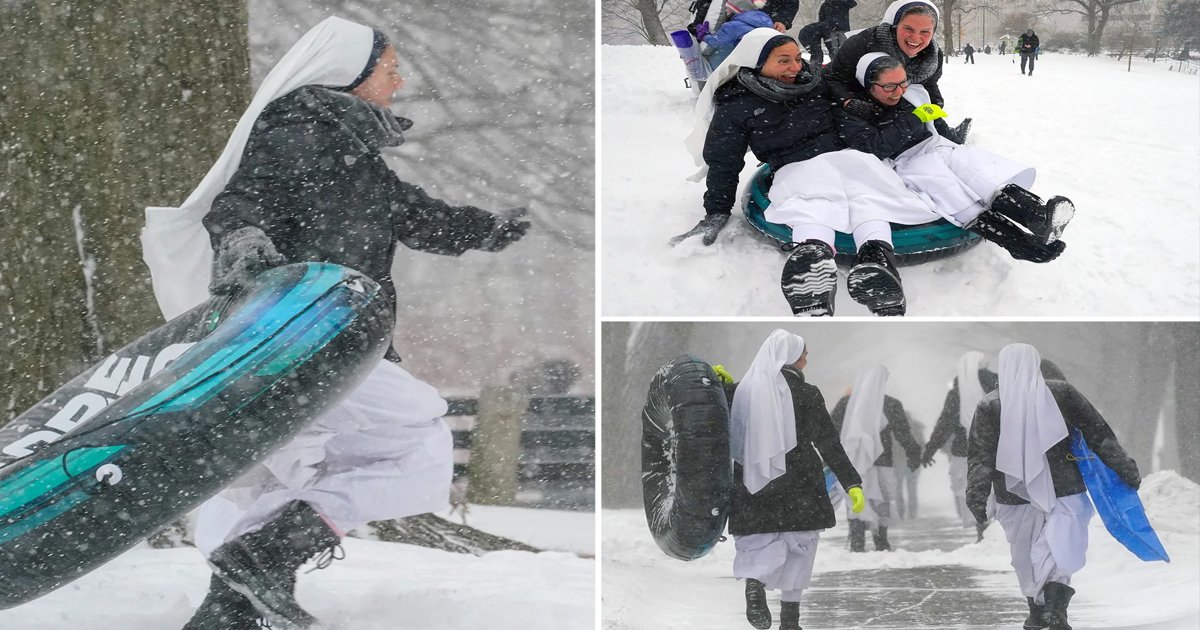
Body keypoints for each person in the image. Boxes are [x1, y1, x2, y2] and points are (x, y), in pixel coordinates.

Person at [141, 17, 530, 629]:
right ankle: (264, 558)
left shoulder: (350, 150)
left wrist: (486, 227)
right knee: (422, 448)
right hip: (303, 337)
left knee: (281, 475)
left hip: (326, 337)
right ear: (349, 75)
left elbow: (413, 214)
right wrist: (243, 241)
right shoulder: (292, 135)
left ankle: (228, 610)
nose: (400, 79)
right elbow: (240, 203)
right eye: (390, 67)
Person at [679, 29, 951, 317]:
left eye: (797, 58)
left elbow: (866, 92)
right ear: (757, 63)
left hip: (848, 156)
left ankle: (877, 260)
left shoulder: (815, 81)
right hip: (796, 166)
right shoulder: (737, 105)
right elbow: (724, 160)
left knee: (869, 197)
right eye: (784, 61)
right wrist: (716, 210)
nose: (796, 67)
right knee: (812, 202)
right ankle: (812, 264)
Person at [835, 53, 1074, 263]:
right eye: (889, 87)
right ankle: (1018, 243)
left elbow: (935, 124)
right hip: (903, 162)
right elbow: (875, 147)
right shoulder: (854, 111)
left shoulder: (912, 96)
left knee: (976, 169)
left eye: (903, 82)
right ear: (869, 84)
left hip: (935, 146)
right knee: (949, 190)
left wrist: (950, 137)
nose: (899, 91)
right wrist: (914, 119)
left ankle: (1037, 216)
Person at [967, 344, 1141, 630]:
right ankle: (1056, 609)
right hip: (1065, 486)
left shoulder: (989, 405)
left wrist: (976, 492)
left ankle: (1039, 612)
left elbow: (980, 454)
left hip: (1012, 493)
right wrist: (1124, 466)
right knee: (1062, 546)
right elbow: (1099, 432)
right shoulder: (1062, 393)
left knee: (1025, 556)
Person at [728, 330, 865, 630]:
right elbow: (828, 442)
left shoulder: (741, 392)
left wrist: (716, 386)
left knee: (758, 540)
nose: (806, 359)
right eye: (803, 354)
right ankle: (790, 622)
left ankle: (755, 584)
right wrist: (851, 482)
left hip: (754, 481)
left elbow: (721, 430)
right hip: (800, 483)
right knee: (799, 548)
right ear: (789, 358)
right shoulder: (807, 393)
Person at [825, 0, 972, 145]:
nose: (915, 38)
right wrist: (848, 100)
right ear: (895, 26)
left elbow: (929, 83)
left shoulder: (933, 56)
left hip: (899, 93)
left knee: (919, 105)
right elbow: (834, 78)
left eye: (925, 32)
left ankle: (944, 134)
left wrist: (935, 102)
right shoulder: (861, 43)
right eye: (908, 29)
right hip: (862, 96)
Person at [830, 365, 923, 552]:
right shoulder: (891, 404)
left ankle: (857, 540)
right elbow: (903, 433)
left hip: (854, 462)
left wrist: (831, 457)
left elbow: (830, 431)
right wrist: (914, 454)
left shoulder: (846, 404)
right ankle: (881, 540)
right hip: (883, 461)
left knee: (856, 499)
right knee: (882, 500)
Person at [921, 351, 997, 530]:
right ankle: (995, 526)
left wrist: (930, 450)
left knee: (968, 489)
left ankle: (981, 526)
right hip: (993, 447)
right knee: (994, 489)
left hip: (964, 450)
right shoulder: (997, 386)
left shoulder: (957, 392)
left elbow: (944, 424)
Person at [701, 0, 777, 68]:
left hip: (728, 59)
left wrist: (704, 35)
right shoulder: (766, 26)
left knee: (713, 68)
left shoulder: (734, 26)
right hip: (751, 62)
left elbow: (715, 42)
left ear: (736, 11)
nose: (726, 11)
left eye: (728, 9)